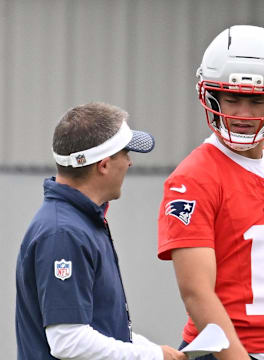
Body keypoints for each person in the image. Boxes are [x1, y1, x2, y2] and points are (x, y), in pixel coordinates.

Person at [157, 25, 264, 360]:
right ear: (211, 95)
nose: (242, 114)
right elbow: (196, 293)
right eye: (232, 99)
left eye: (256, 101)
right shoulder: (193, 178)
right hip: (228, 352)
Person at [16, 102, 187, 360]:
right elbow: (68, 341)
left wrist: (151, 351)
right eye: (126, 153)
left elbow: (102, 328)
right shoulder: (63, 233)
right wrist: (152, 357)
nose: (130, 163)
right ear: (104, 165)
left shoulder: (77, 222)